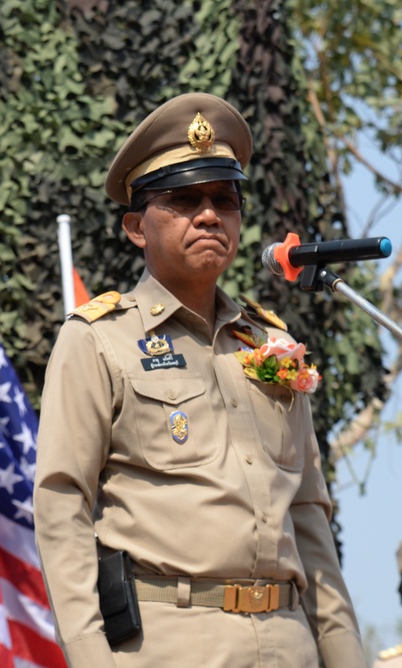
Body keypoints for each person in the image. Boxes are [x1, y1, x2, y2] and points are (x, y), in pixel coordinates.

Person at [34, 92, 365, 667]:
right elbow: (62, 504)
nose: (210, 214)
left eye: (224, 198)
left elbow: (309, 514)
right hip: (172, 643)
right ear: (137, 228)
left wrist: (345, 655)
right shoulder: (97, 339)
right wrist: (88, 656)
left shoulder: (269, 343)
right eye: (184, 200)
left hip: (291, 642)